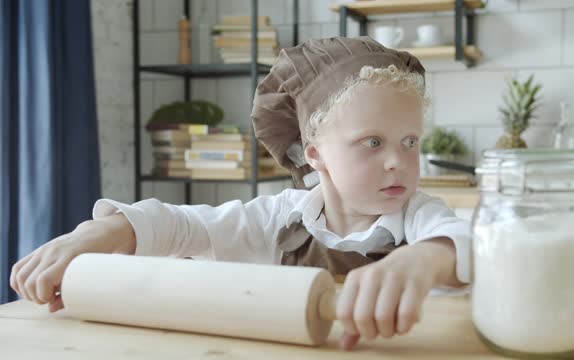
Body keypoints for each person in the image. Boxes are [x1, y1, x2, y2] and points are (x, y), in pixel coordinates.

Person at [10, 37, 470, 350]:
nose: (398, 160)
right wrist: (103, 232)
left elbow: (467, 244)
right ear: (315, 154)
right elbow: (184, 224)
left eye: (410, 141)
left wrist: (426, 259)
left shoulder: (420, 219)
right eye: (373, 142)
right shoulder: (278, 219)